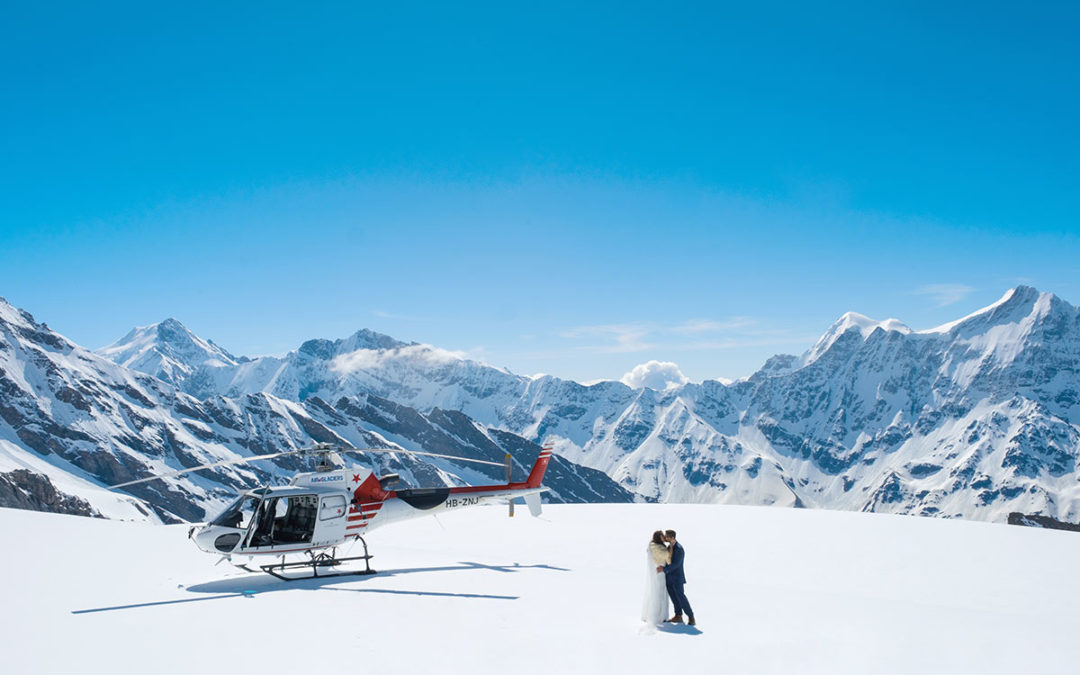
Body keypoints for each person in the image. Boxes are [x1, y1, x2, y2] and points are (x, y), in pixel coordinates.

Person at [663, 529, 695, 626]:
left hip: (677, 578)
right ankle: (678, 615)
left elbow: (676, 564)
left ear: (672, 537)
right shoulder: (669, 547)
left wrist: (665, 570)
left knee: (681, 597)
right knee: (674, 597)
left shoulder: (679, 549)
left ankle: (691, 617)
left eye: (667, 537)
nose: (666, 538)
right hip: (669, 578)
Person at [641, 530, 671, 626]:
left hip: (657, 571)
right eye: (662, 536)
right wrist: (670, 548)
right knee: (660, 594)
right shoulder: (660, 548)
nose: (664, 538)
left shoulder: (652, 544)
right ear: (659, 537)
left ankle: (652, 614)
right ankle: (658, 616)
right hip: (660, 572)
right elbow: (668, 560)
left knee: (654, 592)